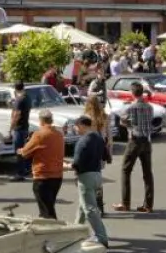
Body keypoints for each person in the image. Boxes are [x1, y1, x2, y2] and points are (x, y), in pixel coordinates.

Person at [113, 82, 155, 213]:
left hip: (135, 141)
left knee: (126, 170)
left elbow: (122, 120)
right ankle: (148, 205)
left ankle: (125, 203)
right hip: (146, 141)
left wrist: (128, 123)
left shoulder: (130, 107)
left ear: (132, 93)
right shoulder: (149, 107)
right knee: (147, 173)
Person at [67, 115, 108, 244]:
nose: (75, 129)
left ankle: (101, 236)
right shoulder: (99, 138)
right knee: (83, 205)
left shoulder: (83, 141)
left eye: (75, 127)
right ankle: (75, 232)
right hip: (97, 176)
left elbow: (76, 163)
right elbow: (106, 156)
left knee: (89, 209)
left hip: (86, 177)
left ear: (82, 126)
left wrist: (65, 166)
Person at [19, 109, 64, 218]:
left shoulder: (39, 134)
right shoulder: (59, 134)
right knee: (48, 206)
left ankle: (53, 227)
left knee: (47, 212)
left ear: (41, 121)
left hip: (43, 176)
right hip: (57, 175)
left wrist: (21, 149)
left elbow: (25, 152)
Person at [10, 82, 33, 181]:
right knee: (25, 150)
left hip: (19, 128)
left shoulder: (19, 100)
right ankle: (26, 169)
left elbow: (16, 115)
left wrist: (11, 128)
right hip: (25, 127)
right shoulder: (27, 98)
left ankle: (20, 174)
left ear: (15, 90)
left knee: (19, 151)